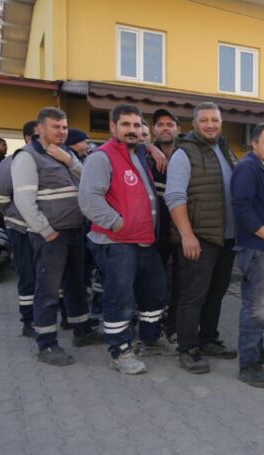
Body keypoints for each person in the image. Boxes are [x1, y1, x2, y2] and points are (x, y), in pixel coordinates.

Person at [79, 103, 174, 374]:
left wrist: (152, 147)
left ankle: (150, 339)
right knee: (120, 299)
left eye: (136, 125)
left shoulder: (139, 152)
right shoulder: (101, 157)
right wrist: (118, 223)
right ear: (113, 127)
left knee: (154, 292)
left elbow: (144, 148)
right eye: (125, 125)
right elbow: (89, 199)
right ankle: (120, 351)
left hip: (144, 240)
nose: (132, 130)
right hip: (117, 242)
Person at [11, 107, 102, 366]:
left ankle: (81, 331)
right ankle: (46, 344)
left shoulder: (67, 153)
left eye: (64, 127)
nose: (62, 132)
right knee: (48, 291)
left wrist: (71, 161)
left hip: (74, 231)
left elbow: (88, 181)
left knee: (75, 285)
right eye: (56, 127)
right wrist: (46, 231)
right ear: (40, 128)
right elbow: (24, 200)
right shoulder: (27, 157)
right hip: (51, 236)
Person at [165, 102, 238, 374]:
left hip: (226, 239)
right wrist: (187, 235)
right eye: (205, 120)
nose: (210, 125)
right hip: (199, 239)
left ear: (221, 123)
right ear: (194, 124)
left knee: (216, 294)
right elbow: (174, 196)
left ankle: (208, 339)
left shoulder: (225, 149)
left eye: (215, 120)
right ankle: (187, 349)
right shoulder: (184, 153)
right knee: (192, 297)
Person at [231, 123, 264, 388]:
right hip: (257, 249)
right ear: (254, 143)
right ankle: (249, 364)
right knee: (255, 307)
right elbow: (241, 206)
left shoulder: (263, 168)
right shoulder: (249, 167)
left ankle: (256, 348)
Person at [0, 122, 38, 337]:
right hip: (21, 229)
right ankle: (28, 321)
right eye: (37, 136)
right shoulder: (10, 163)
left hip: (44, 229)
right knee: (27, 274)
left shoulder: (50, 158)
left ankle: (46, 315)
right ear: (27, 138)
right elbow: (1, 199)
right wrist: (17, 217)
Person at [151, 108, 180, 341]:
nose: (165, 128)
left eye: (169, 124)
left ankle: (174, 326)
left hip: (181, 230)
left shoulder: (186, 154)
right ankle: (153, 327)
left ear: (178, 129)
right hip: (155, 232)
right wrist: (147, 147)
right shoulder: (144, 156)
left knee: (180, 281)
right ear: (154, 129)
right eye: (160, 124)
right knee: (155, 281)